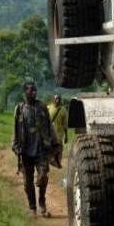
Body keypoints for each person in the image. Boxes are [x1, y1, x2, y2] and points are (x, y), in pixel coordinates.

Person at [12, 82, 59, 218]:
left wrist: (54, 143)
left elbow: (49, 126)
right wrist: (15, 145)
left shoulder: (42, 107)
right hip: (25, 151)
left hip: (41, 149)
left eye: (35, 91)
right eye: (31, 91)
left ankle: (42, 204)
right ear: (25, 92)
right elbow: (15, 129)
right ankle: (33, 208)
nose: (34, 93)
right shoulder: (20, 109)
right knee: (28, 183)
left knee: (43, 176)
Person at [47, 94, 68, 168]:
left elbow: (65, 124)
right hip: (49, 133)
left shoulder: (63, 110)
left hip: (59, 134)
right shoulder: (48, 108)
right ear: (53, 100)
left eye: (59, 99)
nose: (57, 100)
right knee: (49, 147)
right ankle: (50, 161)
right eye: (56, 99)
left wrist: (66, 136)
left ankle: (58, 162)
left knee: (59, 149)